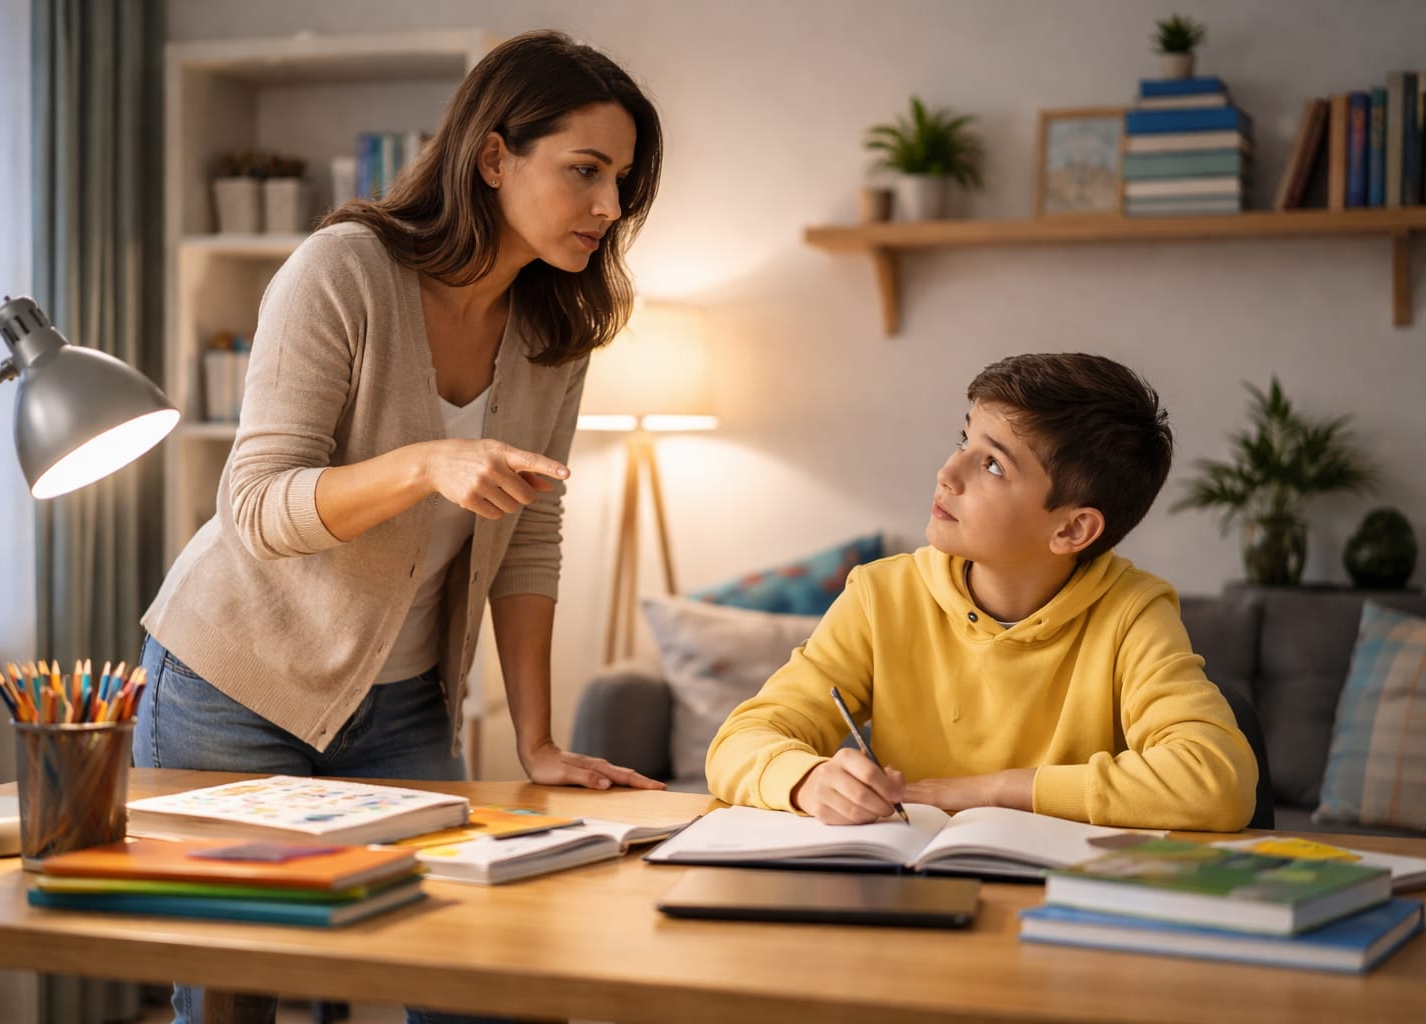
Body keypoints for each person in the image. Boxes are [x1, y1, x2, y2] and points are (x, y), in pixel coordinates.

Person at [134, 30, 663, 1024]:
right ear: (494, 156)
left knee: (468, 972)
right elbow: (255, 508)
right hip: (233, 683)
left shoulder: (558, 329)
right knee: (231, 992)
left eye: (623, 180)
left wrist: (540, 738)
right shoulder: (344, 269)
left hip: (408, 703)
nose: (609, 206)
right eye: (585, 170)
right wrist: (427, 462)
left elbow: (531, 536)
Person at [705, 353, 1258, 833]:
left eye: (992, 464)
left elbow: (1217, 780)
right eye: (963, 440)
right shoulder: (881, 595)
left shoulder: (1131, 612)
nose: (948, 472)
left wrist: (991, 791)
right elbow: (740, 740)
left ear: (1071, 530)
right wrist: (807, 779)